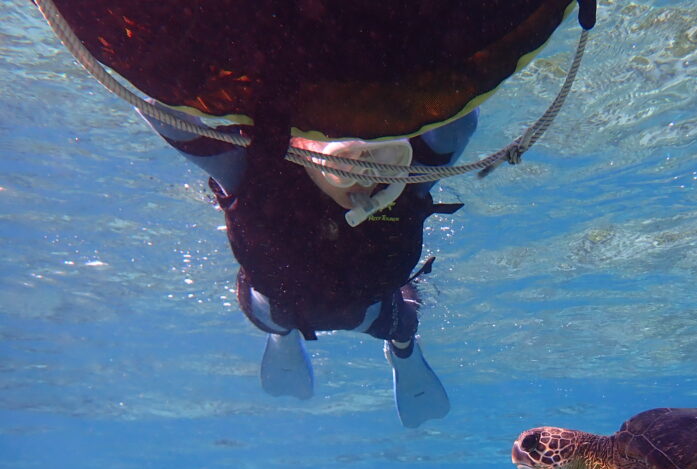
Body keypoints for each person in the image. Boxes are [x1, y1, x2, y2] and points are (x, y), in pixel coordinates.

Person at [140, 108, 478, 428]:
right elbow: (161, 109)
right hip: (284, 307)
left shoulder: (405, 177)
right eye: (344, 154)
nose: (362, 173)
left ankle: (403, 352)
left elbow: (459, 124)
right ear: (297, 140)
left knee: (399, 324)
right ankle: (288, 337)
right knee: (274, 315)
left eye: (378, 148)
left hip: (363, 307)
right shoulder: (250, 167)